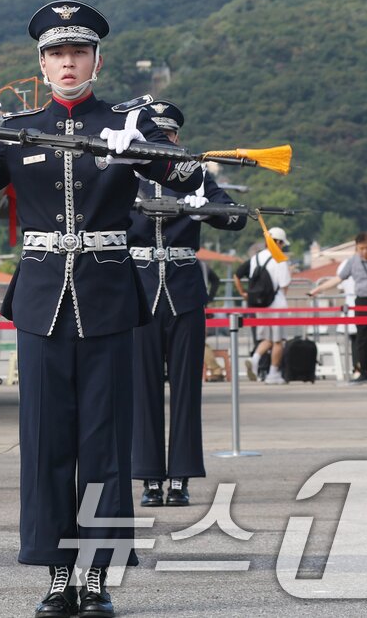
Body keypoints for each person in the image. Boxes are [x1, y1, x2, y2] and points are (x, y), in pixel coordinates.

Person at [0, 0, 203, 617]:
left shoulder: (124, 123)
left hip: (109, 297)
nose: (68, 62)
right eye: (56, 53)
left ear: (96, 59)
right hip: (40, 302)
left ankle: (98, 577)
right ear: (40, 62)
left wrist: (141, 152)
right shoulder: (18, 131)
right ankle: (60, 573)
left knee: (105, 446)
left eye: (78, 52)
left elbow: (189, 179)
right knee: (46, 443)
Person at [125, 101, 247, 509]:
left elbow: (237, 217)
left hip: (183, 289)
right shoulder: (128, 173)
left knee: (186, 389)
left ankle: (180, 476)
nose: (165, 142)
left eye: (170, 135)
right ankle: (147, 477)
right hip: (139, 289)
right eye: (157, 135)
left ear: (178, 138)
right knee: (141, 389)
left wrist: (207, 212)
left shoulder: (195, 176)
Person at [309, 233, 367, 382]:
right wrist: (318, 289)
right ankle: (364, 371)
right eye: (361, 249)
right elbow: (338, 278)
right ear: (356, 248)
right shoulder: (352, 261)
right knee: (361, 338)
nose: (365, 252)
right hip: (362, 299)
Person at [237, 230, 293, 383]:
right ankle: (273, 374)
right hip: (277, 304)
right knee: (278, 341)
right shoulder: (280, 258)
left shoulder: (256, 257)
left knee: (266, 339)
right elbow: (284, 284)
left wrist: (243, 293)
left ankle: (254, 360)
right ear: (279, 242)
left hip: (260, 304)